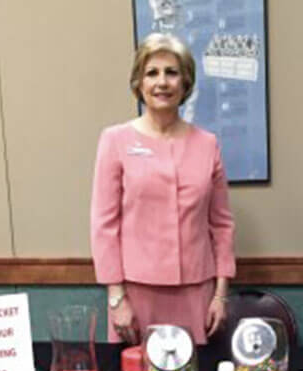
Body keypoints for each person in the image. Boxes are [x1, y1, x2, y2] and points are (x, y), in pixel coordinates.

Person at [90, 33, 235, 346]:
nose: (162, 82)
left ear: (185, 82)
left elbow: (222, 225)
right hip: (134, 295)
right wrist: (116, 297)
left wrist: (221, 295)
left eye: (171, 72)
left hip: (197, 292)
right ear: (139, 83)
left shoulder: (207, 144)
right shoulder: (115, 140)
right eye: (152, 73)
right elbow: (104, 225)